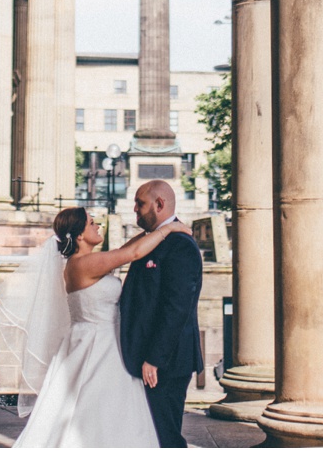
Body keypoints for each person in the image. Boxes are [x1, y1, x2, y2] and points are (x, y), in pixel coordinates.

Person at [0, 203, 193, 448]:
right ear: (80, 234)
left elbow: (126, 249)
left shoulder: (86, 261)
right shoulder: (83, 264)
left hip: (97, 340)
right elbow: (131, 255)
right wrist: (169, 228)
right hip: (99, 345)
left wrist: (152, 230)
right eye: (92, 222)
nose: (98, 225)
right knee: (98, 410)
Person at [117, 180, 204, 449]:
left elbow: (176, 308)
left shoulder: (181, 246)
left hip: (166, 363)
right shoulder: (154, 239)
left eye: (140, 203)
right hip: (146, 358)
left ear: (159, 204)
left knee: (165, 438)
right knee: (150, 436)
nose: (134, 209)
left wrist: (155, 358)